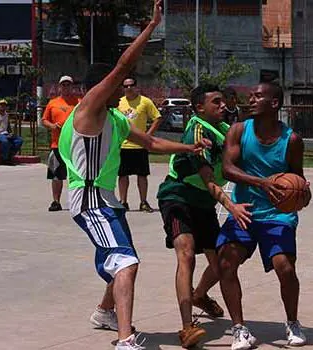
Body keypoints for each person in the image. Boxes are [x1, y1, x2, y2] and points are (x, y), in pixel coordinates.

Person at [57, 2, 209, 349]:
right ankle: (126, 339)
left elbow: (152, 141)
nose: (123, 87)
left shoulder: (115, 119)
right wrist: (152, 26)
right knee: (126, 261)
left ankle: (105, 313)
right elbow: (125, 63)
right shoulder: (89, 111)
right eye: (116, 84)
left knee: (121, 258)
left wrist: (189, 149)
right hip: (90, 199)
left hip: (107, 199)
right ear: (100, 88)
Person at [156, 84, 252, 348]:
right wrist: (232, 207)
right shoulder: (197, 129)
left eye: (224, 101)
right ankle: (187, 327)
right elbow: (209, 179)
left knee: (221, 262)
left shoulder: (222, 130)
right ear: (200, 107)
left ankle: (199, 295)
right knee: (186, 254)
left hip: (204, 203)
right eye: (216, 102)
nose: (223, 105)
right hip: (178, 196)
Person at [218, 82, 311, 350]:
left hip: (277, 216)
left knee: (285, 267)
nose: (251, 99)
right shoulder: (238, 131)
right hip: (244, 210)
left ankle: (292, 322)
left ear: (274, 103)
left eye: (258, 96)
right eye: (251, 95)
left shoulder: (291, 140)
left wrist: (302, 194)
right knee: (226, 262)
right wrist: (262, 183)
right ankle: (239, 329)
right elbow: (227, 168)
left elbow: (298, 178)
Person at [117, 77, 162, 212]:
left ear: (136, 86)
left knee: (142, 175)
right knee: (122, 175)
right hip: (123, 145)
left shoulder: (145, 101)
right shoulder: (119, 102)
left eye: (131, 85)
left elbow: (157, 118)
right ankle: (123, 201)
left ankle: (143, 201)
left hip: (140, 145)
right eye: (125, 86)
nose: (129, 88)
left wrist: (148, 135)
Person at [42, 75, 80, 212]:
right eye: (63, 85)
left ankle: (78, 201)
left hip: (75, 145)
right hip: (57, 145)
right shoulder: (53, 103)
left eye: (68, 84)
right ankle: (56, 201)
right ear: (59, 87)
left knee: (77, 174)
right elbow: (44, 120)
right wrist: (52, 126)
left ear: (72, 86)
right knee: (56, 175)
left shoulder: (79, 102)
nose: (66, 87)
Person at [0, 99, 23, 165]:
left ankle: (10, 156)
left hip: (5, 133)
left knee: (19, 140)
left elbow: (7, 125)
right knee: (5, 141)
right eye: (1, 105)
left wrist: (10, 133)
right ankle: (4, 159)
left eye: (4, 105)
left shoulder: (6, 114)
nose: (3, 106)